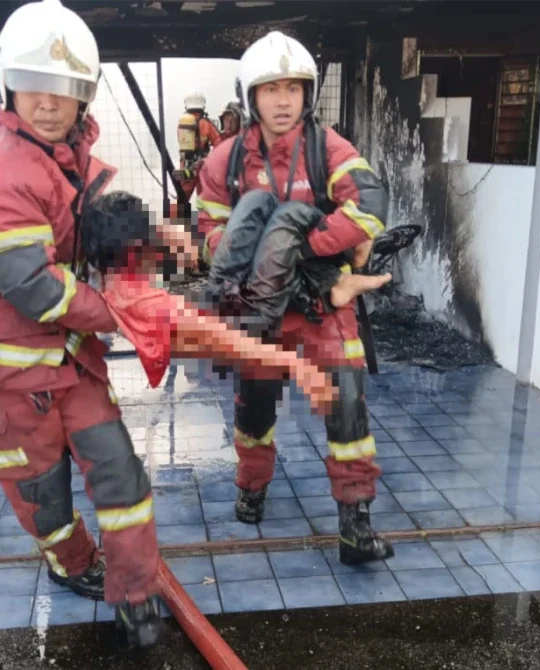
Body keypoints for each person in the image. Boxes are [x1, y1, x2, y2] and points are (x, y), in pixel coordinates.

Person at [0, 0, 167, 647]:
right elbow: (34, 287)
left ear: (83, 98)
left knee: (120, 472)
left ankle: (134, 596)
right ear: (8, 87)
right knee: (49, 505)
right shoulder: (1, 170)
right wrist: (121, 312)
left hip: (67, 367)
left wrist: (149, 243)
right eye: (34, 86)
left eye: (64, 90)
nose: (48, 103)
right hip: (4, 383)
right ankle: (72, 564)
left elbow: (90, 213)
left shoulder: (64, 157)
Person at [194, 30, 394, 565]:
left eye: (293, 88)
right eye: (270, 89)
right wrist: (252, 258)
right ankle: (252, 486)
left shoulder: (330, 149)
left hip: (322, 309)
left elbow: (370, 205)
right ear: (250, 96)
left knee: (348, 414)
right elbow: (209, 226)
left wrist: (304, 248)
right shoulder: (225, 160)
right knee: (253, 410)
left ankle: (356, 525)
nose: (283, 100)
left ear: (308, 94)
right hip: (261, 313)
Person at [82, 191, 389, 406]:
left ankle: (334, 280)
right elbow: (229, 341)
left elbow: (162, 245)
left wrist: (177, 243)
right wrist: (299, 367)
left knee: (258, 202)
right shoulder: (152, 308)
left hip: (222, 294)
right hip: (248, 317)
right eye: (150, 234)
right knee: (288, 217)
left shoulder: (111, 273)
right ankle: (348, 261)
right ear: (136, 247)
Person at [174, 90, 222, 201]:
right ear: (203, 104)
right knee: (205, 200)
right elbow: (218, 144)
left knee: (181, 200)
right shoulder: (207, 123)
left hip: (186, 167)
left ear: (186, 104)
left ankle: (177, 218)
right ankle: (203, 218)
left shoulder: (182, 123)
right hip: (202, 167)